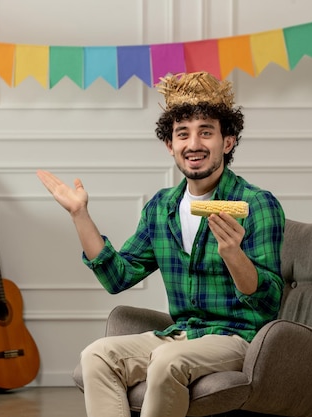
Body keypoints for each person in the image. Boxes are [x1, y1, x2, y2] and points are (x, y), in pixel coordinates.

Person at [36, 71, 285, 417]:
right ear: (170, 145)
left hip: (237, 338)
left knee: (168, 361)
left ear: (227, 141)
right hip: (181, 334)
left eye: (206, 132)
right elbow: (116, 277)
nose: (193, 144)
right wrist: (80, 214)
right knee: (96, 356)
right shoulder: (161, 207)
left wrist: (233, 255)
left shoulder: (257, 204)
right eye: (182, 134)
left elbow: (269, 303)